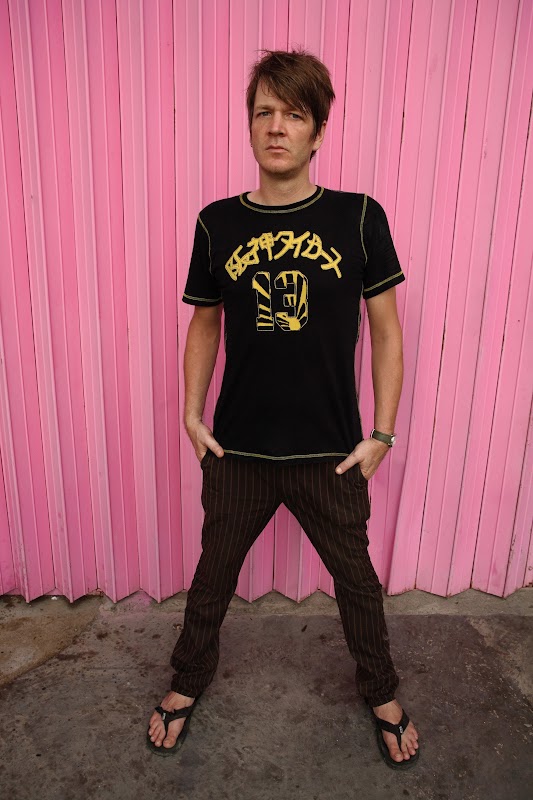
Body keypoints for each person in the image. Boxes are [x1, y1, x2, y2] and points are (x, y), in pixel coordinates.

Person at [147, 49, 419, 769]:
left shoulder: (358, 217)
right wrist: (191, 414)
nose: (276, 127)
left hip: (331, 451)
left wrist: (382, 433)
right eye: (263, 112)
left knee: (356, 584)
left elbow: (387, 330)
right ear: (249, 126)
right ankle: (186, 681)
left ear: (317, 131)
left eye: (293, 115)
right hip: (239, 449)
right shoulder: (217, 223)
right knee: (212, 579)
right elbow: (204, 324)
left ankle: (382, 693)